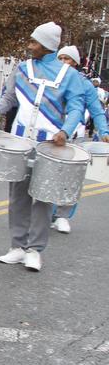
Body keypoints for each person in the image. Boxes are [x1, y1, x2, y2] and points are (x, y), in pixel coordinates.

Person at [0, 22, 86, 272]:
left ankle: (35, 250)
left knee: (44, 197)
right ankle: (17, 246)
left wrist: (65, 131)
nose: (29, 45)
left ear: (47, 46)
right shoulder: (22, 69)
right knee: (18, 196)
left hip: (49, 145)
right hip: (19, 142)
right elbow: (8, 99)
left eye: (34, 42)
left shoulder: (68, 75)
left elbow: (77, 107)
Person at [48, 45, 109, 233]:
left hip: (74, 137)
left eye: (67, 59)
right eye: (60, 58)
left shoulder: (84, 84)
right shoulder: (49, 77)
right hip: (51, 133)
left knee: (70, 179)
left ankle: (63, 216)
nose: (63, 62)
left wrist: (104, 131)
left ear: (74, 62)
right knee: (48, 176)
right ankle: (44, 213)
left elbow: (96, 110)